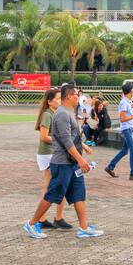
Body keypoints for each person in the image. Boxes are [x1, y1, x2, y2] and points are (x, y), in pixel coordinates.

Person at [23, 83, 102, 239]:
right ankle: (31, 223)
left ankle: (84, 227)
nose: (79, 97)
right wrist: (81, 160)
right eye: (76, 95)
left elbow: (73, 137)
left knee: (79, 194)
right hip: (62, 163)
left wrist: (83, 147)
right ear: (69, 96)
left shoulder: (68, 113)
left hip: (71, 163)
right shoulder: (62, 114)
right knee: (53, 194)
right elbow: (66, 141)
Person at [34, 88, 71, 230]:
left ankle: (57, 217)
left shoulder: (56, 113)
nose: (59, 101)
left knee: (59, 184)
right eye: (56, 99)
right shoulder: (47, 115)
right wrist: (61, 141)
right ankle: (44, 218)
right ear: (49, 102)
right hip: (47, 154)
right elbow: (43, 137)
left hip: (54, 153)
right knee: (51, 185)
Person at [106, 83, 133, 180]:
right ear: (130, 91)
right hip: (127, 129)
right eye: (132, 89)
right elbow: (122, 119)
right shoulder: (123, 103)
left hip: (130, 129)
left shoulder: (128, 102)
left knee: (125, 151)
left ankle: (110, 167)